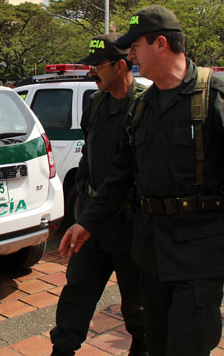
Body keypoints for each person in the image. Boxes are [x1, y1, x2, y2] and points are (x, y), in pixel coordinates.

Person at [60, 5, 224, 356]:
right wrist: (87, 222)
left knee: (188, 343)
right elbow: (120, 173)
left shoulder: (218, 97)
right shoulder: (144, 105)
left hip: (201, 247)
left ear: (161, 44)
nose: (131, 56)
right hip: (153, 247)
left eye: (135, 46)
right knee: (157, 340)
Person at [50, 34, 147, 356]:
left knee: (138, 302)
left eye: (97, 66)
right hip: (93, 223)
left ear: (120, 66)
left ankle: (142, 348)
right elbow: (88, 157)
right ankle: (62, 350)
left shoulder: (146, 104)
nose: (91, 73)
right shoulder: (95, 102)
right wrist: (82, 199)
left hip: (132, 226)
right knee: (77, 291)